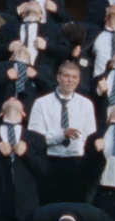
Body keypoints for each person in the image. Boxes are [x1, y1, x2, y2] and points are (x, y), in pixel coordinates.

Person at [28, 62, 98, 204]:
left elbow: (90, 137)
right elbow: (35, 139)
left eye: (74, 77)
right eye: (66, 76)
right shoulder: (41, 103)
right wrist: (61, 134)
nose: (70, 80)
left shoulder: (86, 104)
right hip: (49, 161)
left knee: (76, 206)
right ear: (58, 77)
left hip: (77, 162)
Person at [0, 46, 56, 125]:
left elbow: (54, 91)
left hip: (29, 117)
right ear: (11, 58)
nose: (23, 48)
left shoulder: (42, 70)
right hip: (2, 114)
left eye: (26, 50)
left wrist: (38, 77)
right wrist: (5, 76)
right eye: (18, 48)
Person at [0, 0, 67, 70]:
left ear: (41, 16)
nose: (32, 2)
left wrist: (47, 45)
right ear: (22, 14)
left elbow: (67, 52)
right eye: (28, 3)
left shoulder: (53, 29)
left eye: (36, 4)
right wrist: (7, 46)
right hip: (11, 75)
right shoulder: (8, 28)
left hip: (40, 78)